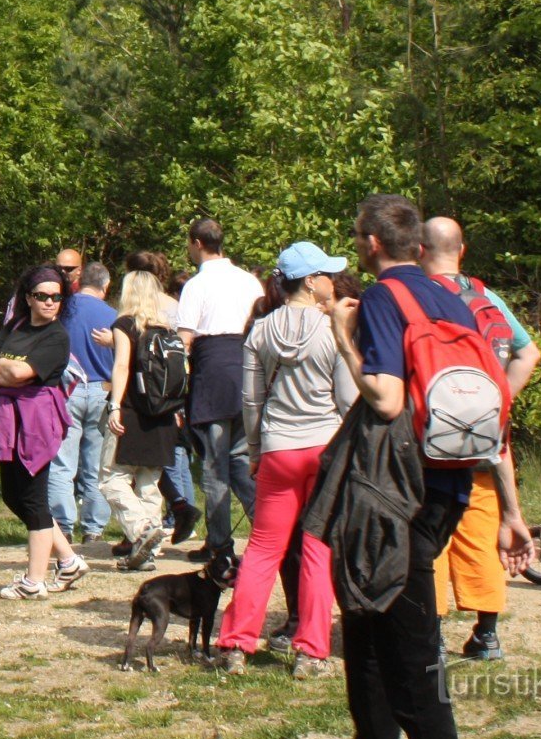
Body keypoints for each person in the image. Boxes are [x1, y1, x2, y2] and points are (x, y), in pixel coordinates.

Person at [319, 193, 532, 739]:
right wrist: (514, 509)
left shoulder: (386, 299)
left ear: (372, 243)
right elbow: (494, 387)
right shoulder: (458, 299)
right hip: (449, 484)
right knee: (365, 621)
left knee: (411, 656)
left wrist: (342, 337)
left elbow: (384, 398)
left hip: (395, 493)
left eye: (358, 238)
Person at [215, 243, 355, 675]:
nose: (332, 280)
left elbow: (251, 401)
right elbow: (347, 399)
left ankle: (235, 644)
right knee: (316, 548)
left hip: (277, 448)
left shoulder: (259, 330)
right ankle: (311, 652)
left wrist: (255, 451)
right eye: (326, 273)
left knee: (262, 548)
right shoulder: (333, 328)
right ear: (311, 281)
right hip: (324, 447)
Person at [421, 217, 541, 664]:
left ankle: (431, 636)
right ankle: (486, 634)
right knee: (483, 528)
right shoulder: (486, 296)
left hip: (434, 437)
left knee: (431, 535)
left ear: (419, 250)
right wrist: (498, 400)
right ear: (463, 250)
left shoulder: (417, 295)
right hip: (485, 436)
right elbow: (529, 352)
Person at [0, 264, 88, 600]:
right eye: (42, 296)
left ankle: (34, 581)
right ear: (28, 297)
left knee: (33, 496)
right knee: (14, 495)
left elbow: (22, 371)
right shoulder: (17, 324)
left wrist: (2, 370)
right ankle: (68, 560)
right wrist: (3, 372)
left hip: (36, 422)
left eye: (57, 297)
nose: (50, 302)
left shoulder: (57, 337)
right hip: (8, 417)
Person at [175, 218, 261, 559]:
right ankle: (269, 527)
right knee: (240, 457)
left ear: (196, 243)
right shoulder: (249, 280)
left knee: (213, 465)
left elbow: (185, 339)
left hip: (212, 373)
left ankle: (220, 544)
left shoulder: (197, 285)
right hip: (247, 370)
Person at [104, 264, 185, 569]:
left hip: (132, 412)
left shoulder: (126, 324)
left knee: (112, 478)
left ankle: (142, 530)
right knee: (150, 483)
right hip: (163, 414)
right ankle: (147, 555)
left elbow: (122, 365)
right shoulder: (167, 330)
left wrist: (114, 405)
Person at [48, 256, 117, 546]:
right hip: (102, 389)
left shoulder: (64, 310)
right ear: (106, 285)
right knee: (97, 465)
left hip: (68, 389)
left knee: (63, 462)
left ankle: (62, 525)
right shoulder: (114, 315)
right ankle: (94, 528)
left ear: (80, 281)